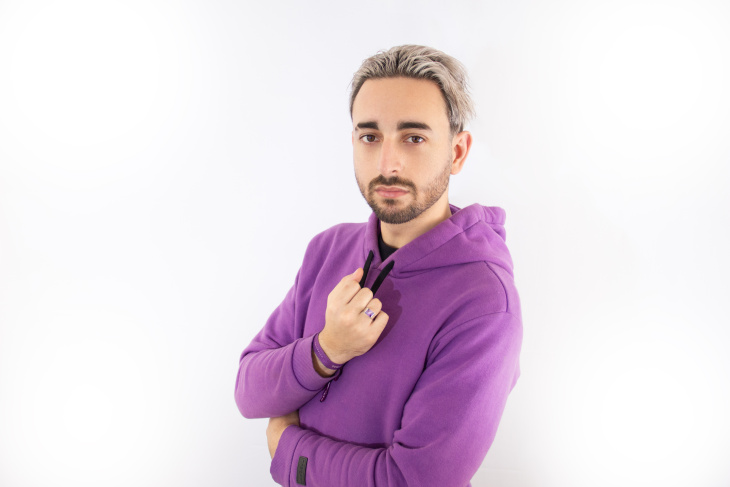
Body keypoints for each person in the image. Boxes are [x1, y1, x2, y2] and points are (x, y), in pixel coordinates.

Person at [234, 44, 523, 487]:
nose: (388, 164)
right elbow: (249, 391)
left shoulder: (485, 301)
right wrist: (326, 351)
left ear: (458, 152)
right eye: (370, 137)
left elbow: (416, 480)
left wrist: (291, 452)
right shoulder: (328, 249)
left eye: (414, 137)